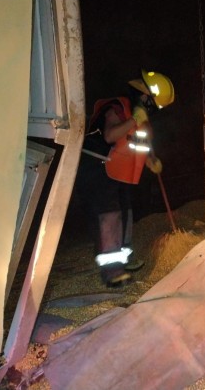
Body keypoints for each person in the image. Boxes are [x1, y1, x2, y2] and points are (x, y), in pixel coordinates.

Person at [76, 69, 175, 287]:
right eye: (152, 102)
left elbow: (139, 145)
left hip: (119, 171)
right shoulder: (117, 109)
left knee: (126, 214)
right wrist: (133, 120)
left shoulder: (141, 119)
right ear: (143, 94)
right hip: (98, 167)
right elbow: (111, 135)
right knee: (110, 216)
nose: (152, 108)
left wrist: (151, 160)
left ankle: (124, 258)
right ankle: (112, 271)